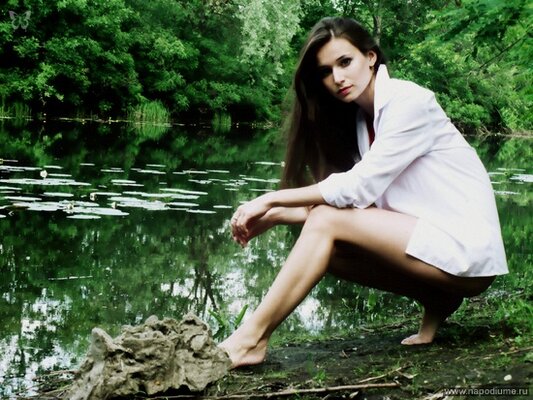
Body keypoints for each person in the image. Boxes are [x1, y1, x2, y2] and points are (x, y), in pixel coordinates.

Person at [220, 17, 508, 368]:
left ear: (370, 57)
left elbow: (356, 189)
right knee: (329, 249)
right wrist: (279, 217)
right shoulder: (362, 121)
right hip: (436, 243)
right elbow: (361, 207)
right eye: (326, 71)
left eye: (345, 62)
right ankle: (437, 298)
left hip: (467, 250)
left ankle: (251, 340)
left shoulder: (408, 102)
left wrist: (271, 199)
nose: (338, 78)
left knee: (325, 223)